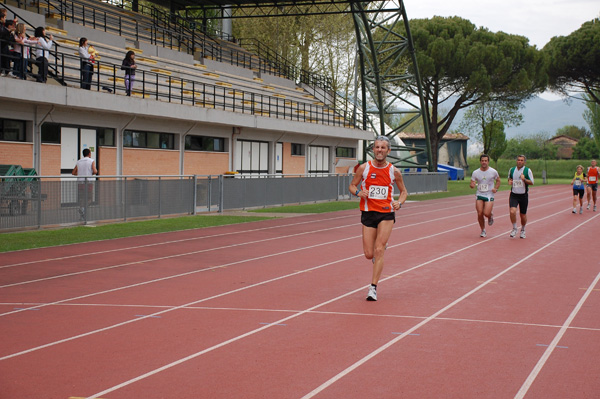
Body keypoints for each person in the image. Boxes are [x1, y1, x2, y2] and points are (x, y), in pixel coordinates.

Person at [349, 135, 407, 301]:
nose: (379, 150)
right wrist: (359, 192)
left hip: (386, 213)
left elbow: (404, 192)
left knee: (379, 250)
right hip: (368, 212)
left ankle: (373, 288)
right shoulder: (364, 168)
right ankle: (379, 248)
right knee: (369, 254)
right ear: (373, 150)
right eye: (377, 147)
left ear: (388, 151)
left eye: (383, 147)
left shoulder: (394, 171)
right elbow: (352, 185)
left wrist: (399, 203)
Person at [470, 154, 501, 237]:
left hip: (489, 194)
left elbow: (498, 181)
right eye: (482, 161)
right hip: (479, 194)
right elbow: (472, 183)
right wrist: (472, 185)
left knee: (486, 213)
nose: (484, 162)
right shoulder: (475, 172)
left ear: (488, 162)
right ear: (480, 162)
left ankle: (490, 216)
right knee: (480, 213)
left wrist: (496, 188)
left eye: (485, 161)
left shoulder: (493, 171)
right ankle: (483, 230)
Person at [508, 155, 534, 238]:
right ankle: (514, 228)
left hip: (523, 195)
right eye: (518, 160)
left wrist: (524, 179)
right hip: (514, 195)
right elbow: (509, 178)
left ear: (524, 162)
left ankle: (523, 229)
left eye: (521, 160)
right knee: (512, 211)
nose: (519, 161)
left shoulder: (527, 170)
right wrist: (510, 181)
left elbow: (532, 182)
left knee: (523, 215)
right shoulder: (512, 170)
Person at [72, 148, 97, 219]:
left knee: (82, 199)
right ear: (89, 154)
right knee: (89, 199)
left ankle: (82, 215)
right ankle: (82, 210)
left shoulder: (79, 161)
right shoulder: (91, 161)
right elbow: (95, 171)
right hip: (88, 182)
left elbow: (73, 172)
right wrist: (90, 173)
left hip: (80, 182)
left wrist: (80, 174)